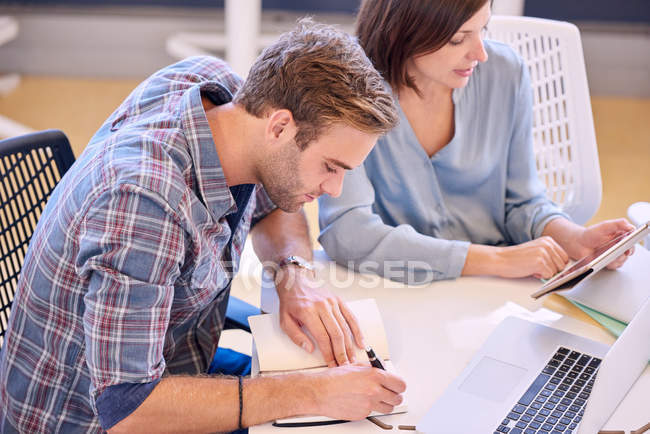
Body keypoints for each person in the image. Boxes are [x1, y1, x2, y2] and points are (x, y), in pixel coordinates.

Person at [0, 20, 406, 433]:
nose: (335, 190)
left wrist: (292, 273)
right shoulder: (144, 203)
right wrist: (313, 393)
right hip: (91, 417)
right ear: (280, 126)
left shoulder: (219, 93)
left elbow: (274, 202)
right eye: (330, 167)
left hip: (178, 355)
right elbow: (127, 408)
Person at [318, 0, 634, 284]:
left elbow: (522, 202)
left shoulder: (505, 73)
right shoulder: (350, 89)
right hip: (395, 287)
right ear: (400, 32)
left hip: (495, 292)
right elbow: (348, 233)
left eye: (483, 28)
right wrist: (493, 260)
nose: (480, 53)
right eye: (458, 39)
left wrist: (576, 238)